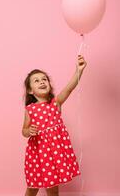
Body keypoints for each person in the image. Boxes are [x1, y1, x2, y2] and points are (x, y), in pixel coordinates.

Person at [22, 55, 87, 196]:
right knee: (33, 185)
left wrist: (78, 71)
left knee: (53, 185)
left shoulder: (55, 103)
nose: (42, 82)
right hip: (38, 154)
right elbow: (24, 130)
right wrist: (29, 130)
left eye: (44, 79)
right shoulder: (30, 109)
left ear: (49, 85)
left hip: (55, 153)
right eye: (36, 81)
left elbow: (69, 89)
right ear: (30, 90)